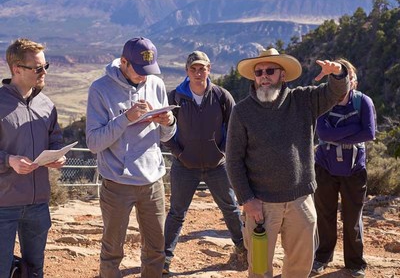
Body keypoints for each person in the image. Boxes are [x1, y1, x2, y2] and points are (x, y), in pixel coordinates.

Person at [225, 48, 350, 278]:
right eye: (259, 72)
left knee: (299, 267)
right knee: (260, 269)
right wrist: (247, 199)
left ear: (282, 75)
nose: (264, 76)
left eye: (270, 71)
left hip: (300, 203)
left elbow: (335, 93)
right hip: (260, 207)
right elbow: (232, 161)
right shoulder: (242, 112)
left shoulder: (303, 100)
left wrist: (338, 73)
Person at [86, 37, 176, 278]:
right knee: (113, 251)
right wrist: (126, 118)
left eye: (148, 70)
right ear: (123, 62)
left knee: (156, 250)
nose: (143, 76)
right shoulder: (100, 89)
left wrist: (169, 122)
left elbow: (166, 137)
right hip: (117, 183)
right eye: (138, 70)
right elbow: (94, 143)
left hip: (153, 182)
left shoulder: (155, 83)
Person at [162, 51, 245, 274]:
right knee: (176, 214)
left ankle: (244, 251)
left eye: (202, 68)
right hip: (184, 167)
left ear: (209, 69)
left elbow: (236, 128)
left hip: (217, 166)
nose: (198, 73)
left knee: (230, 208)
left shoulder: (221, 95)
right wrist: (179, 154)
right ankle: (164, 262)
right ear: (187, 71)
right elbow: (165, 131)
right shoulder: (175, 97)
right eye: (193, 69)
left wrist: (223, 152)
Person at [0, 38, 66, 278]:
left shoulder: (47, 105)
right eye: (38, 68)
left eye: (45, 66)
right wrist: (9, 160)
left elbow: (55, 139)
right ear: (17, 69)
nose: (44, 72)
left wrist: (58, 156)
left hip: (38, 204)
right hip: (3, 204)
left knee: (35, 270)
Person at [312, 59, 376, 278]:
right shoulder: (324, 102)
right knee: (325, 215)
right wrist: (351, 129)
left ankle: (355, 263)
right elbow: (323, 134)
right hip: (325, 168)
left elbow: (369, 133)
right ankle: (322, 257)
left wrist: (336, 133)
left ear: (352, 82)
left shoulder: (363, 102)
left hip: (354, 170)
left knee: (352, 218)